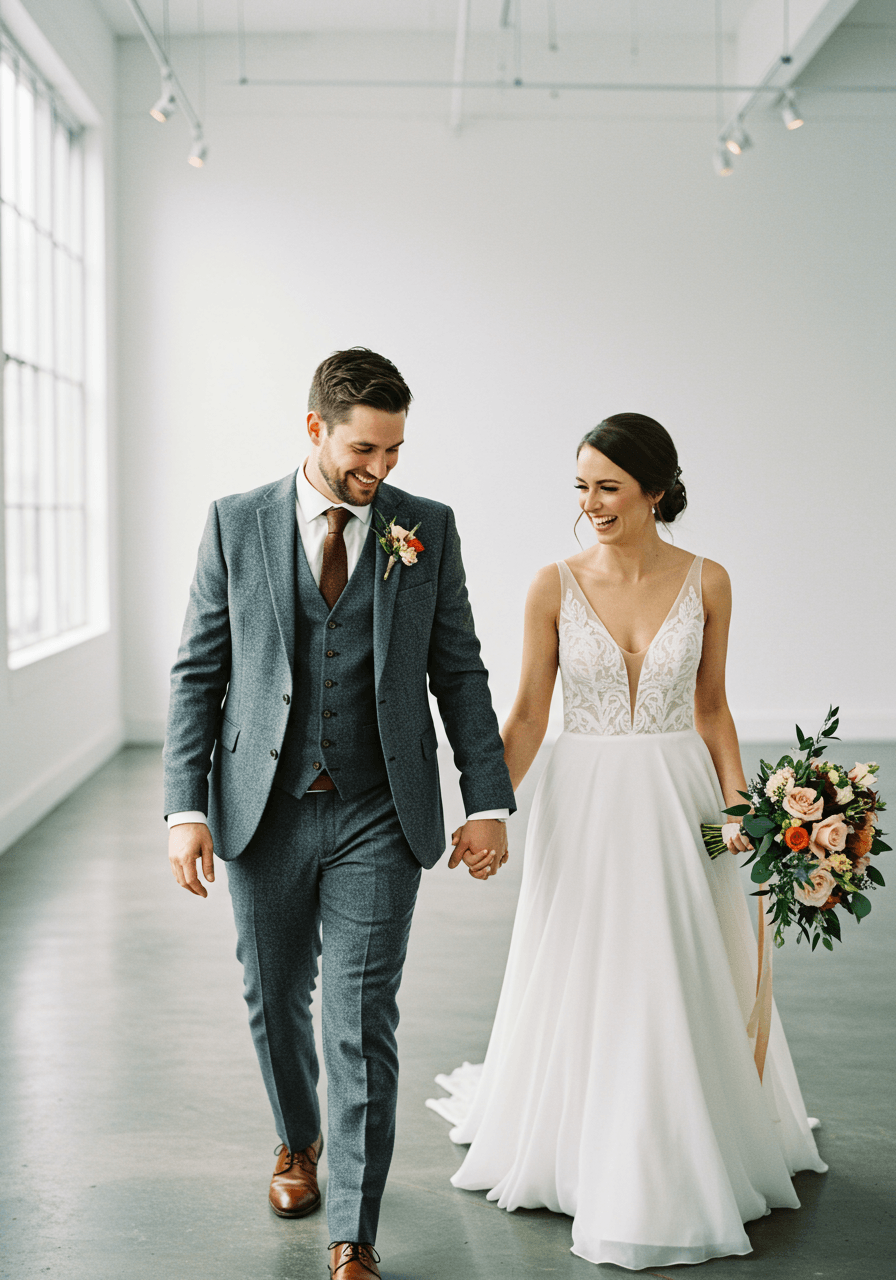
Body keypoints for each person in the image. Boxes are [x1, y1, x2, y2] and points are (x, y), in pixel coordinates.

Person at [429, 413, 827, 1269]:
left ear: (655, 488)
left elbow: (713, 705)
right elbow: (531, 713)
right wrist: (486, 806)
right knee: (594, 961)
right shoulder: (553, 584)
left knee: (679, 964)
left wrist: (747, 815)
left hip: (681, 798)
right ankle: (586, 1140)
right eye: (581, 486)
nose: (591, 504)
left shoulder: (710, 580)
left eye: (608, 486)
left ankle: (681, 1138)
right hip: (587, 800)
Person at [163, 348, 515, 1280]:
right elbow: (200, 671)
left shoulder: (425, 529)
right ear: (315, 428)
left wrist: (485, 799)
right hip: (262, 810)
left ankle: (352, 1232)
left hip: (377, 810)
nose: (381, 470)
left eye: (395, 451)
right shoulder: (235, 523)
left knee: (360, 1016)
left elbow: (461, 670)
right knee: (274, 999)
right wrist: (182, 809)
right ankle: (297, 1140)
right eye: (365, 450)